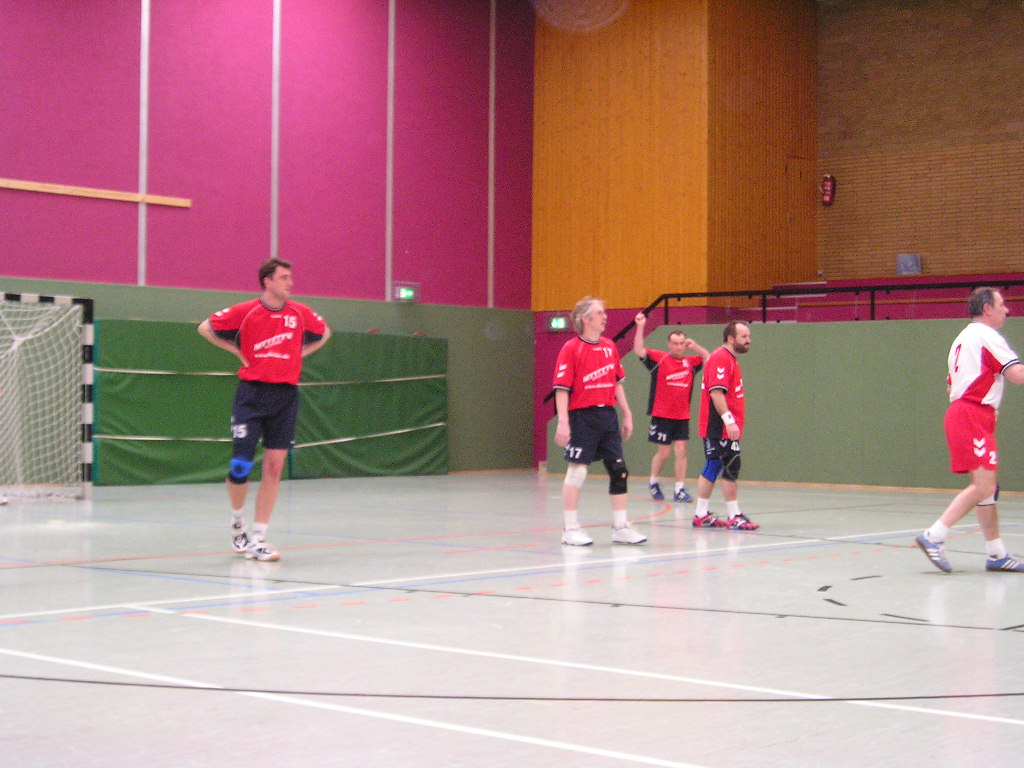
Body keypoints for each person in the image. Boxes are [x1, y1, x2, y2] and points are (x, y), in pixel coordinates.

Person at [198, 258, 331, 561]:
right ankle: (238, 524)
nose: (290, 283)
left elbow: (324, 333)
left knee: (274, 467)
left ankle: (258, 538)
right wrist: (236, 351)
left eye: (290, 277)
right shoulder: (247, 311)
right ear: (267, 281)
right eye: (283, 277)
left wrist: (299, 353)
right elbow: (205, 327)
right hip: (252, 395)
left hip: (285, 396)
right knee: (241, 465)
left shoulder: (299, 312)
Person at [915, 287, 1024, 573]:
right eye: (1001, 304)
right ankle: (934, 536)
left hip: (967, 413)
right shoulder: (987, 335)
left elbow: (950, 385)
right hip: (972, 414)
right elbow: (1017, 375)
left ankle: (996, 554)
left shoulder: (962, 339)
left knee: (987, 489)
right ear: (987, 309)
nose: (1007, 310)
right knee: (984, 486)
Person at [552, 297, 646, 546]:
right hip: (582, 417)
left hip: (608, 416)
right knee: (577, 472)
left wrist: (627, 413)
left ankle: (621, 527)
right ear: (586, 319)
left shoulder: (609, 346)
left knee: (619, 470)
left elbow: (616, 383)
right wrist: (563, 422)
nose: (605, 317)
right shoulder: (571, 348)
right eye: (600, 313)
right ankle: (570, 529)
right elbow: (561, 388)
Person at [632, 312, 709, 503]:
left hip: (682, 415)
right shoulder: (659, 359)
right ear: (669, 344)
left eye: (681, 343)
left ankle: (679, 489)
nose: (678, 346)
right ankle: (653, 482)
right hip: (661, 414)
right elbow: (639, 349)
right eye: (674, 343)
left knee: (681, 451)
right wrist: (640, 326)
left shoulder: (690, 362)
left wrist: (695, 346)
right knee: (664, 453)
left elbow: (708, 358)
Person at [693, 320, 759, 531]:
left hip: (718, 425)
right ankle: (734, 516)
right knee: (731, 465)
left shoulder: (729, 358)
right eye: (744, 336)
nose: (748, 340)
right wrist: (729, 421)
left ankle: (701, 514)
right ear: (731, 338)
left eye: (748, 336)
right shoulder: (721, 357)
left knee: (713, 465)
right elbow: (716, 393)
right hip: (718, 426)